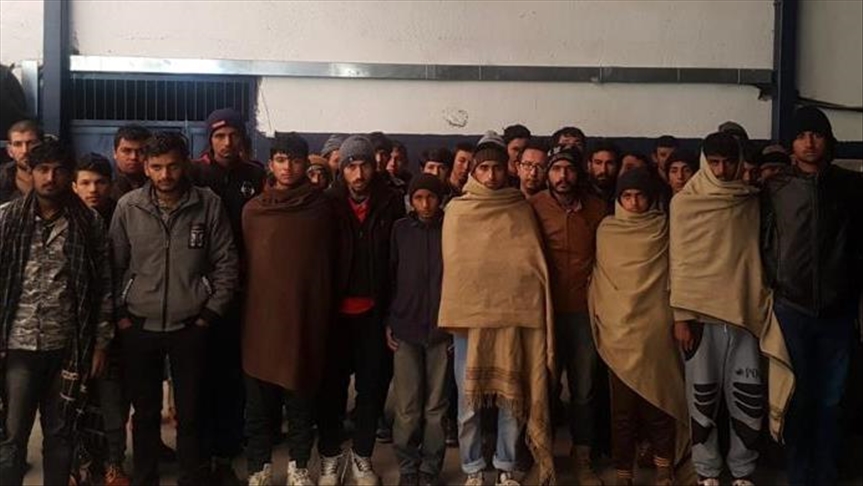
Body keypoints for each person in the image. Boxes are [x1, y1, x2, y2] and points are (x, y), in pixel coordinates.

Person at [110, 131, 239, 485]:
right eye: (156, 167)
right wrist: (121, 315)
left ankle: (190, 476)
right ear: (146, 168)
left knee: (192, 411)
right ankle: (146, 476)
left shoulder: (208, 204)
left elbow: (226, 263)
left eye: (172, 166)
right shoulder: (129, 207)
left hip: (191, 324)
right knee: (145, 412)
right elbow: (114, 267)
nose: (165, 175)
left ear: (185, 164)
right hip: (139, 324)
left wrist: (208, 315)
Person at [669, 132, 794, 486]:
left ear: (739, 162)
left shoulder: (751, 200)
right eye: (714, 163)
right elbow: (679, 262)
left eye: (728, 162)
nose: (721, 170)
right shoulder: (684, 204)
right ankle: (706, 470)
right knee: (702, 397)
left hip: (745, 313)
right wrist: (681, 317)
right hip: (698, 316)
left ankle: (743, 470)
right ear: (704, 162)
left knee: (747, 396)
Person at [438, 131, 555, 486]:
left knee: (510, 397)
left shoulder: (520, 208)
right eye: (484, 169)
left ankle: (506, 465)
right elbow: (458, 267)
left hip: (513, 317)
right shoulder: (458, 211)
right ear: (473, 171)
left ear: (508, 170)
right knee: (468, 403)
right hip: (469, 321)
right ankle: (472, 468)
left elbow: (531, 265)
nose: (491, 176)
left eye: (497, 168)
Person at [0, 139, 113, 486]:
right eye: (43, 170)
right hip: (17, 346)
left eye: (59, 170)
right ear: (30, 172)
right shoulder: (6, 218)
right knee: (12, 437)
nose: (50, 178)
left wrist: (100, 343)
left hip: (68, 347)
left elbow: (104, 286)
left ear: (69, 175)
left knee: (61, 436)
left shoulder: (88, 222)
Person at [761, 106, 863, 486]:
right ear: (791, 144)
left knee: (832, 399)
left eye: (816, 134)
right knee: (797, 398)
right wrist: (778, 283)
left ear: (828, 140)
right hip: (792, 309)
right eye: (802, 135)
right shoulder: (776, 190)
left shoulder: (852, 187)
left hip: (839, 310)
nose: (809, 142)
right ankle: (800, 475)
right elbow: (764, 244)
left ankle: (826, 474)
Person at [241, 133, 339, 486]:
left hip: (304, 317)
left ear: (306, 164)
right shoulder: (254, 211)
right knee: (259, 406)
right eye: (281, 160)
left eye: (295, 160)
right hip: (261, 319)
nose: (288, 168)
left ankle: (299, 467)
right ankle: (260, 468)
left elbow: (333, 262)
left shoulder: (322, 209)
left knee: (301, 403)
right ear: (271, 164)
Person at [588, 168, 688, 486]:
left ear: (651, 197)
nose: (633, 203)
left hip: (656, 327)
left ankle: (664, 468)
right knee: (623, 411)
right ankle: (624, 472)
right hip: (618, 331)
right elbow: (601, 279)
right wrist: (608, 315)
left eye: (640, 195)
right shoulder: (607, 230)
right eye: (627, 196)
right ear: (618, 199)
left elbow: (676, 274)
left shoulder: (664, 228)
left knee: (659, 400)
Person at [317, 135, 405, 486]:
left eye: (364, 165)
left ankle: (362, 457)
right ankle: (330, 457)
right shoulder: (326, 203)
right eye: (351, 166)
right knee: (332, 390)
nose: (358, 174)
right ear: (341, 169)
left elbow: (399, 263)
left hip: (375, 314)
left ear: (374, 165)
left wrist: (393, 314)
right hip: (335, 316)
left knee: (371, 391)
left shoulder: (391, 202)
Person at [190, 108, 265, 483]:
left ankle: (226, 455)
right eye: (219, 136)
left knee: (234, 378)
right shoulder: (194, 174)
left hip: (242, 292)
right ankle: (198, 456)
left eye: (233, 135)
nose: (227, 143)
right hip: (199, 292)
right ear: (209, 139)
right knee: (198, 377)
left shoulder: (255, 175)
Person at [529, 148, 606, 486]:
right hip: (544, 312)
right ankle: (542, 458)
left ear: (580, 172)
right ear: (548, 173)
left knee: (584, 390)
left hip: (584, 313)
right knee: (543, 387)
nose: (563, 176)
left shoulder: (597, 209)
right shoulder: (533, 207)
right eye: (557, 169)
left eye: (569, 169)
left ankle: (583, 459)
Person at [386, 174, 450, 486]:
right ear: (410, 200)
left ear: (441, 199)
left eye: (431, 197)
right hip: (405, 328)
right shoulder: (400, 230)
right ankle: (408, 465)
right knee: (407, 406)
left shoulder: (451, 229)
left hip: (442, 330)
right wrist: (389, 320)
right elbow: (390, 275)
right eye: (418, 198)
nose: (425, 204)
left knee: (436, 406)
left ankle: (430, 467)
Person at [0, 119, 43, 203]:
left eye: (31, 143)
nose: (25, 151)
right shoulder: (2, 177)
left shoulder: (60, 177)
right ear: (9, 151)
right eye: (17, 144)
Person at [111, 124, 151, 200]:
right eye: (126, 151)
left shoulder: (159, 184)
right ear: (115, 153)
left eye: (141, 151)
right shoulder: (104, 185)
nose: (133, 157)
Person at [585, 139, 621, 214]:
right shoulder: (580, 193)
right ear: (589, 165)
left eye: (609, 163)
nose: (603, 170)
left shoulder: (622, 192)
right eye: (598, 163)